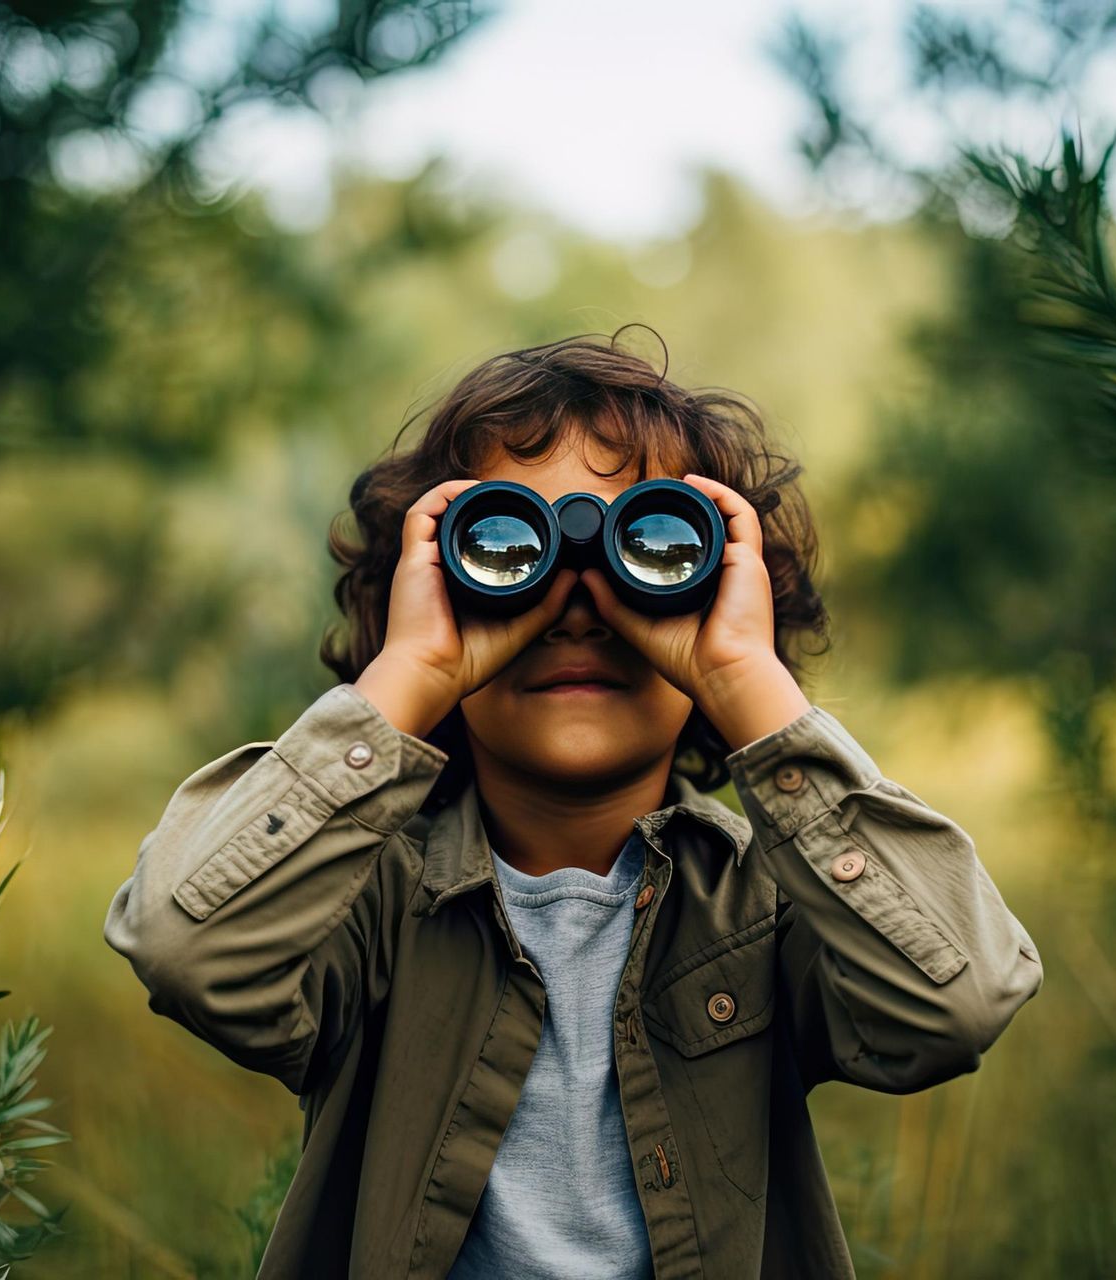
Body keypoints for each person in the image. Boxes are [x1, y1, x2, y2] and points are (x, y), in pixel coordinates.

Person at [104, 328, 1044, 1278]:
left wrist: (744, 677)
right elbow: (187, 948)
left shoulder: (761, 907)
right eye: (510, 545)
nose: (580, 605)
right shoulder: (369, 904)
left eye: (655, 545)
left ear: (727, 592)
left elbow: (955, 1003)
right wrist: (414, 668)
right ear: (428, 590)